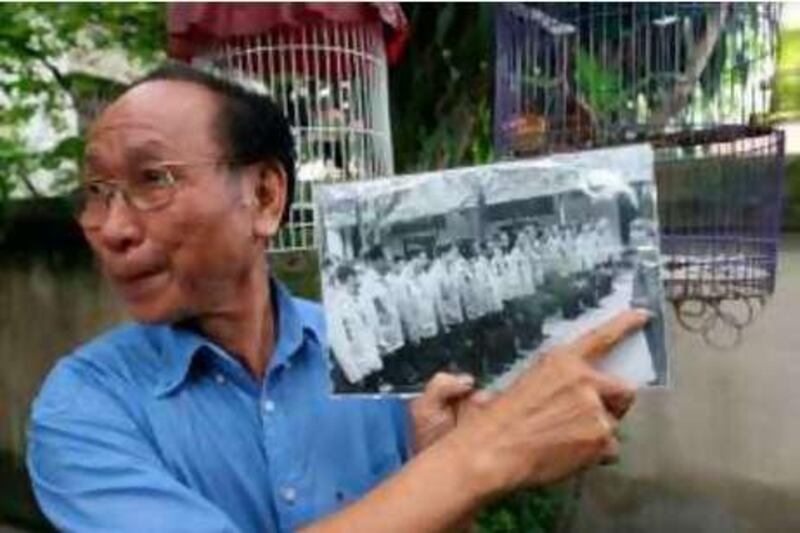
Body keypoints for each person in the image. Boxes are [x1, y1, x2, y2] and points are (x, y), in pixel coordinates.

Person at [27, 62, 648, 533]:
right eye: (96, 191)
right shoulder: (83, 407)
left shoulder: (377, 357)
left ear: (266, 197)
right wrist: (484, 456)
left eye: (152, 179)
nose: (111, 228)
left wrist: (446, 475)